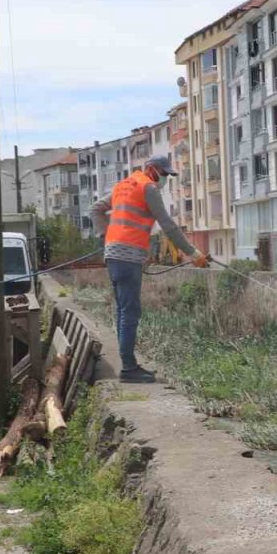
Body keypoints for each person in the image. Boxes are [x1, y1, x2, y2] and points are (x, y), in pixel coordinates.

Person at [91, 155, 209, 383]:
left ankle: (128, 364)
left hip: (113, 255)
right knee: (130, 312)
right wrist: (193, 253)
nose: (165, 179)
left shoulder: (123, 185)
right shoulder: (148, 188)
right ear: (152, 169)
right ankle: (128, 369)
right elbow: (168, 225)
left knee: (123, 310)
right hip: (127, 257)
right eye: (164, 174)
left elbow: (95, 209)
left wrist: (106, 236)